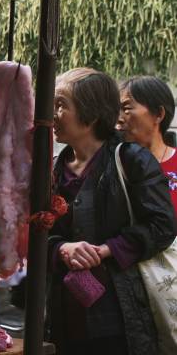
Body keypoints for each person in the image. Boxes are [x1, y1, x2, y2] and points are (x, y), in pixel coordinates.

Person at [47, 68, 176, 355]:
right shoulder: (53, 169)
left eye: (61, 105)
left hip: (121, 316)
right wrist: (62, 248)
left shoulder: (132, 160)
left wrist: (106, 250)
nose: (53, 114)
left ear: (90, 115)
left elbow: (162, 225)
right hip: (63, 315)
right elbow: (37, 234)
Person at [116, 75, 177, 354]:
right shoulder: (115, 166)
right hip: (129, 287)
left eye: (127, 108)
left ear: (159, 114)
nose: (119, 118)